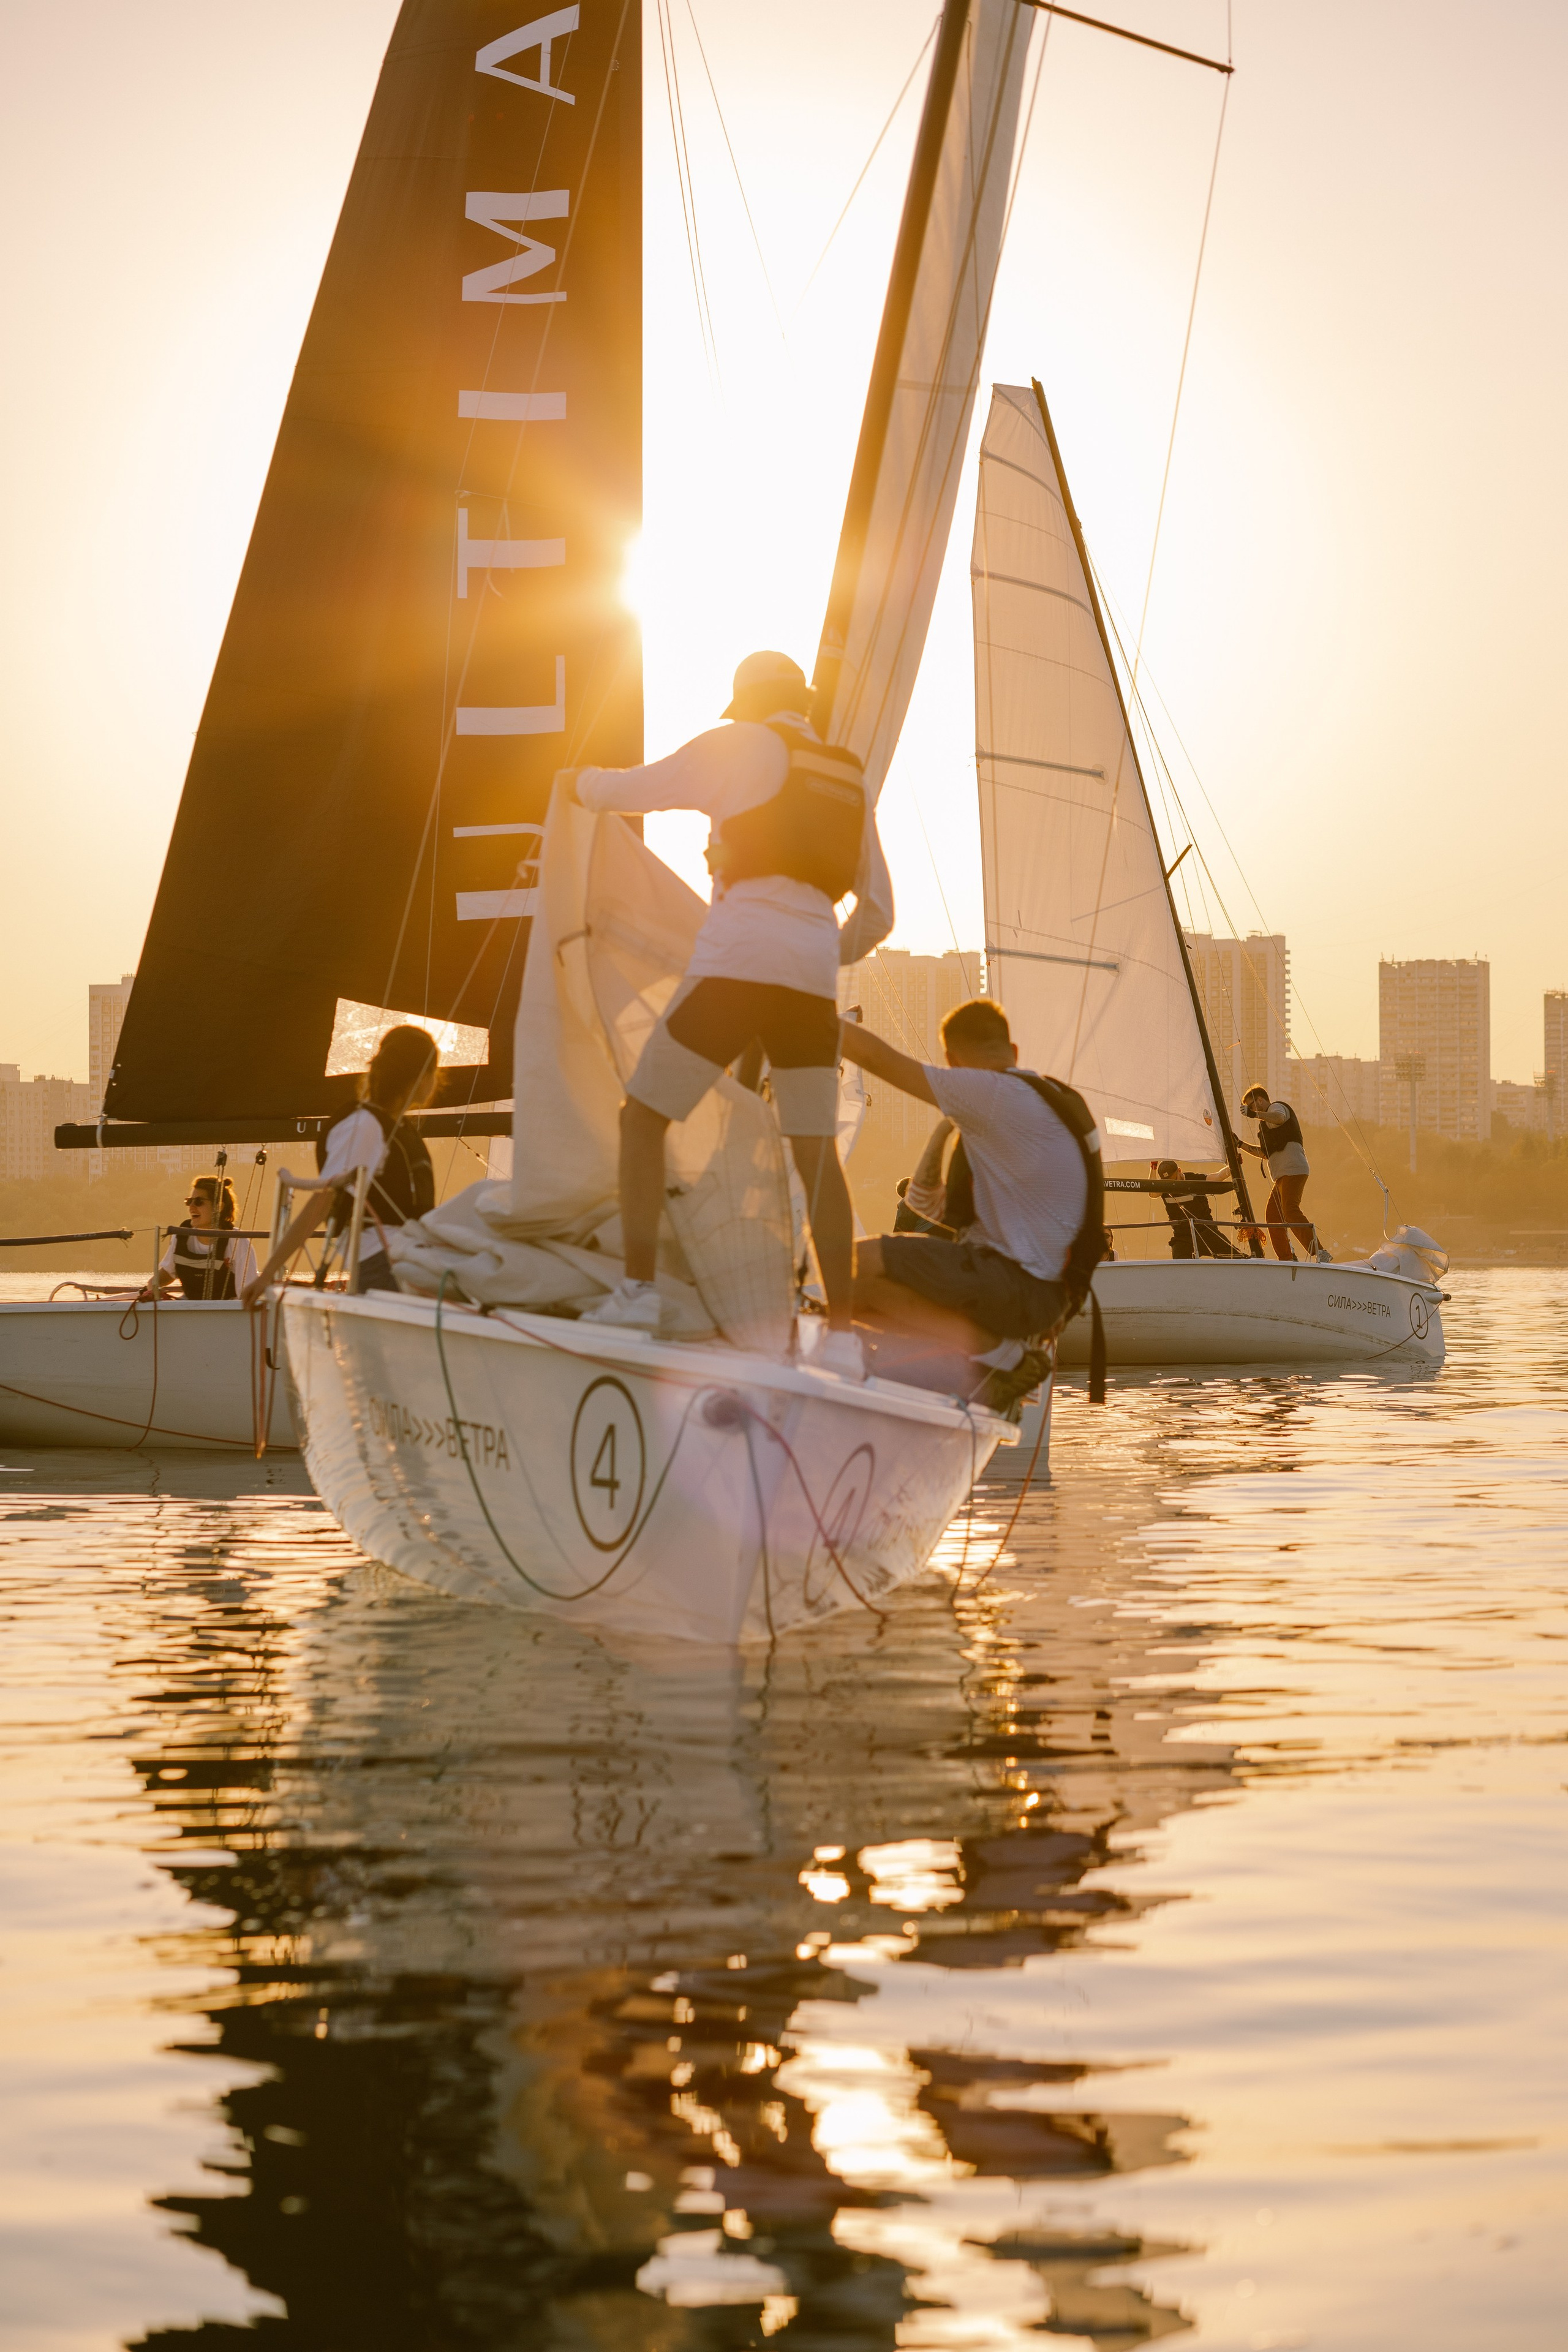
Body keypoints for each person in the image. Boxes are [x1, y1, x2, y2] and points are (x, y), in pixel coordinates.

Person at [565, 649, 894, 1375]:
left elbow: (638, 789)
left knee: (643, 1117)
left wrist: (574, 784)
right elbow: (876, 917)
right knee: (817, 1155)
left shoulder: (741, 743)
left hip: (738, 959)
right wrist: (814, 947)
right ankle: (840, 1335)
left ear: (747, 703)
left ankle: (638, 1292)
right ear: (800, 701)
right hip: (810, 977)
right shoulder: (847, 774)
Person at [839, 997, 1102, 1411]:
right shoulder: (1042, 1104)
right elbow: (933, 1208)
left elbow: (876, 1057)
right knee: (857, 1292)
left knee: (845, 1264)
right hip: (1037, 1293)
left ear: (951, 1060)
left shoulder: (996, 1094)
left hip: (1018, 1287)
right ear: (1014, 1053)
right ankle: (967, 1363)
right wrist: (946, 1130)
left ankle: (1002, 1357)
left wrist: (798, 1005)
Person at [241, 1025, 439, 1306]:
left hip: (411, 1260)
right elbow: (325, 1199)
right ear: (421, 1077)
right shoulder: (364, 1127)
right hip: (384, 1265)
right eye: (435, 1072)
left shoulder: (398, 1127)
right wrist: (268, 1274)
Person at [1237, 1085, 1327, 1262]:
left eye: (1252, 1106)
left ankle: (1320, 1252)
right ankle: (1287, 1259)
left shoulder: (1277, 1108)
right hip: (1281, 1178)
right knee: (1272, 1217)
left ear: (1260, 1100)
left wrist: (1254, 1114)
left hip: (1294, 1170)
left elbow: (1279, 1118)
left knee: (1290, 1210)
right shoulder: (1265, 1125)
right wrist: (1239, 1144)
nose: (1251, 1110)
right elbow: (1264, 1153)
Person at [142, 1174, 258, 1301]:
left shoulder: (238, 1241)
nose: (192, 1207)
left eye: (199, 1202)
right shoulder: (181, 1236)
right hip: (188, 1310)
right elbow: (169, 1272)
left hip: (227, 1312)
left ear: (219, 1207)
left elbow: (248, 1293)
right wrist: (152, 1286)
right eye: (189, 1201)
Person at [1154, 1158, 1236, 1259]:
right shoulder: (1165, 1187)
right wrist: (1153, 1168)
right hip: (1182, 1237)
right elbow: (1152, 1193)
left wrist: (1234, 1164)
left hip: (1206, 1231)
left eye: (1174, 1180)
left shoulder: (1194, 1178)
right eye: (1168, 1182)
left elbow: (1218, 1177)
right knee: (1178, 1266)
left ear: (1179, 1171)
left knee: (1235, 1257)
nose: (1172, 1184)